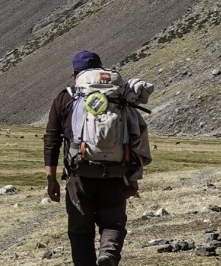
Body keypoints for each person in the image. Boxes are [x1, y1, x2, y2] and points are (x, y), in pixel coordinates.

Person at [45, 51, 151, 266]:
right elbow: (134, 136)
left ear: (76, 73)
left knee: (80, 231)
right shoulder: (119, 95)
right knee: (113, 224)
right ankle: (108, 255)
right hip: (115, 172)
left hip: (80, 174)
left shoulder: (67, 97)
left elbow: (52, 138)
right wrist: (133, 177)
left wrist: (51, 178)